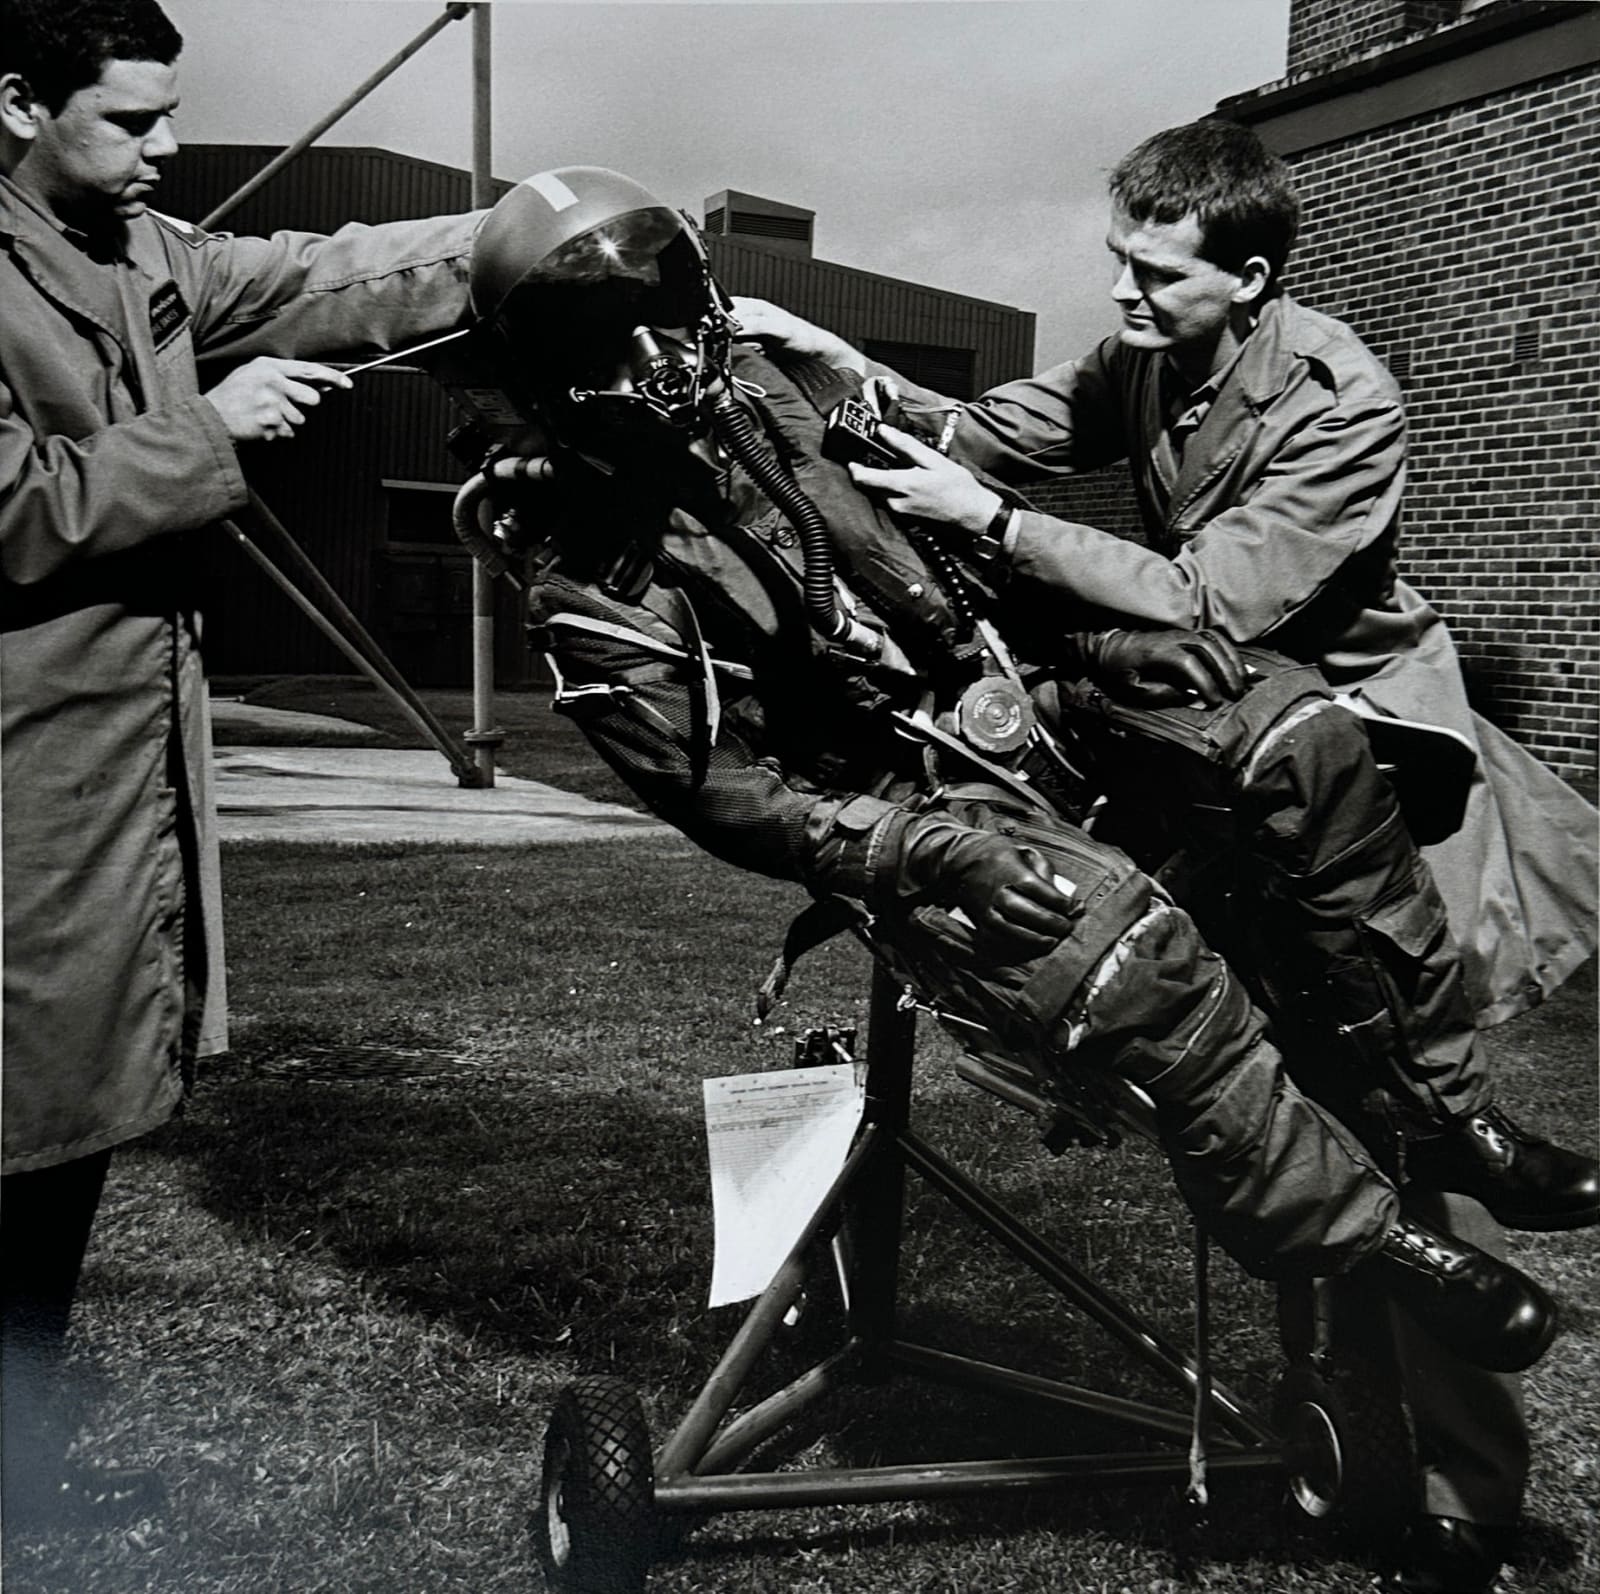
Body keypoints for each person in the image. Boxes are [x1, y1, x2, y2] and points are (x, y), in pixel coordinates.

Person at [453, 164, 1566, 1507]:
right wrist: (915, 849)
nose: (672, 358)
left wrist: (868, 410)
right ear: (560, 375)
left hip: (1010, 690)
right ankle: (1382, 1244)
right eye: (622, 344)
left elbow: (947, 499)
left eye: (679, 313)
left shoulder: (761, 392)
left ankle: (1446, 1113)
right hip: (894, 799)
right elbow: (716, 789)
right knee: (1114, 941)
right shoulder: (579, 556)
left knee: (1296, 737)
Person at [730, 118, 1597, 1592]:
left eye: (1152, 272)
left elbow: (1215, 597)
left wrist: (998, 527)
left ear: (1248, 277)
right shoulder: (1143, 357)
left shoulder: (1342, 397)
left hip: (1355, 766)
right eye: (1116, 262)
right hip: (1207, 760)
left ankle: (1468, 1506)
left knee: (1390, 1109)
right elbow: (976, 429)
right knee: (1259, 1095)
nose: (1120, 295)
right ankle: (1343, 1444)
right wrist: (809, 346)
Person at [0, 0, 483, 1533]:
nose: (164, 147)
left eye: (171, 115)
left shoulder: (151, 253)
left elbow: (327, 274)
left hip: (105, 773)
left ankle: (18, 1468)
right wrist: (207, 428)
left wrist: (541, 231)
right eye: (131, 119)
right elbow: (16, 508)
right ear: (18, 103)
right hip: (22, 772)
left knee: (60, 1140)